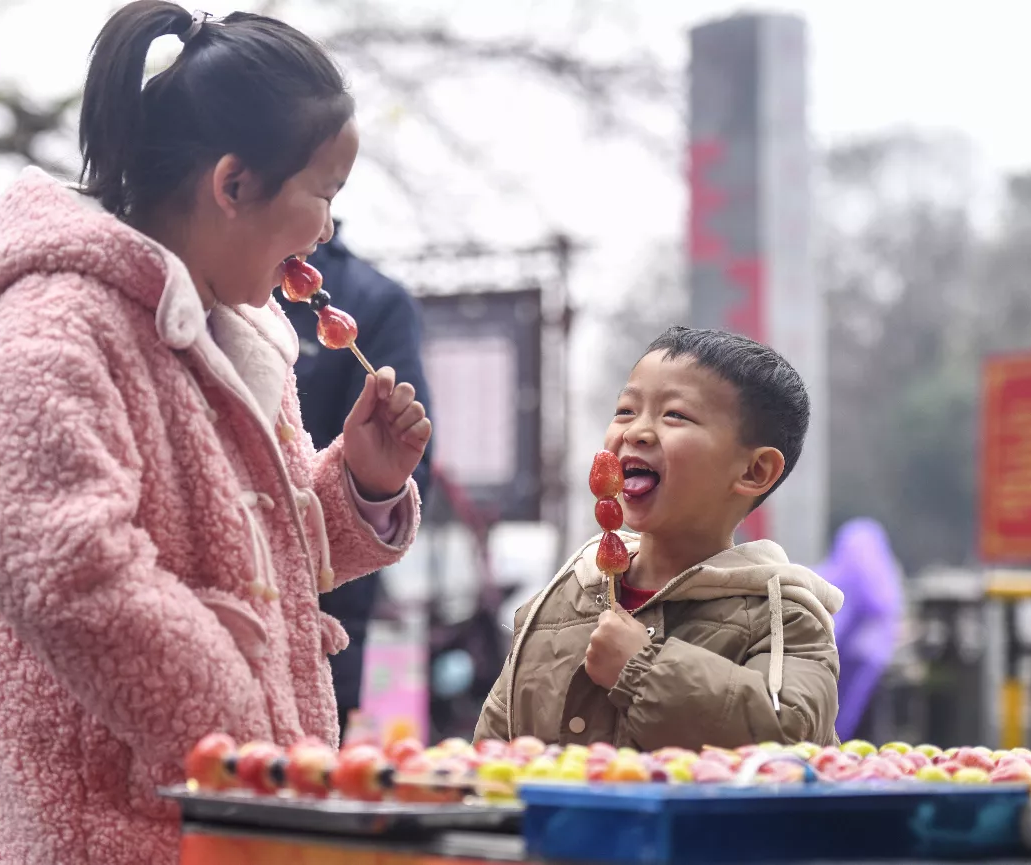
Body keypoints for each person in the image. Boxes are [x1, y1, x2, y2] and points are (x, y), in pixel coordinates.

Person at [0, 3, 431, 864]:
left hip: (223, 823)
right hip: (103, 836)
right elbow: (63, 568)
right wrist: (252, 749)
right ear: (235, 183)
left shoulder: (235, 335)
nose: (326, 229)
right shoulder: (53, 324)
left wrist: (361, 484)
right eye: (323, 192)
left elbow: (252, 557)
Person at [475, 327, 843, 749]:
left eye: (675, 416)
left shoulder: (782, 618)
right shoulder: (562, 598)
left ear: (754, 472)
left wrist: (641, 669)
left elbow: (791, 734)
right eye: (626, 411)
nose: (636, 432)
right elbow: (493, 748)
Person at [277, 224, 433, 734]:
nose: (320, 226)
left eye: (331, 192)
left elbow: (408, 456)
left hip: (324, 627)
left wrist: (368, 486)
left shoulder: (370, 299)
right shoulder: (220, 298)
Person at [815, 518, 904, 741]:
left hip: (842, 658)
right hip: (874, 663)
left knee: (835, 718)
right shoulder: (885, 578)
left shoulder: (838, 576)